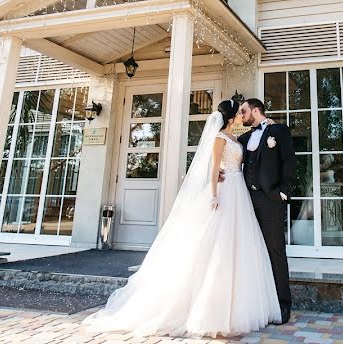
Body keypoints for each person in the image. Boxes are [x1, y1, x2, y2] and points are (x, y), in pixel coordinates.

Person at [84, 99, 280, 338]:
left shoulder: (237, 139)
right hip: (226, 191)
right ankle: (212, 311)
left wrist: (267, 124)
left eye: (243, 112)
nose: (242, 115)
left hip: (240, 193)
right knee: (219, 246)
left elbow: (249, 149)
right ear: (230, 117)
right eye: (239, 113)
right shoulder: (219, 139)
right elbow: (213, 166)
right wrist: (213, 194)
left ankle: (237, 307)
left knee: (238, 247)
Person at [236, 98, 296, 324]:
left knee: (275, 250)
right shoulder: (245, 136)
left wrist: (283, 191)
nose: (242, 115)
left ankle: (283, 304)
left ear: (255, 110)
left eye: (243, 111)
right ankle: (258, 303)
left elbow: (289, 161)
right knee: (251, 251)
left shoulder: (278, 131)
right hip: (246, 199)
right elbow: (226, 150)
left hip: (270, 199)